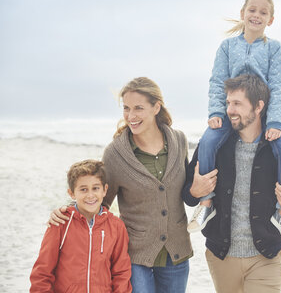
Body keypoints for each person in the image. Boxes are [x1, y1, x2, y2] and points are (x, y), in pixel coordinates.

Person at [48, 77, 192, 293]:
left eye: (138, 108)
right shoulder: (116, 153)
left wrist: (200, 190)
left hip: (176, 251)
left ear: (156, 107)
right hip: (135, 254)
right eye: (126, 108)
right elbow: (99, 203)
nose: (130, 116)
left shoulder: (179, 141)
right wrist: (67, 211)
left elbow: (187, 193)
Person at [187, 0, 281, 244]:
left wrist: (274, 122)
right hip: (232, 110)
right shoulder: (227, 47)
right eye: (252, 10)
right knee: (206, 143)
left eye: (263, 12)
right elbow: (217, 81)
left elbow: (277, 86)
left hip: (265, 111)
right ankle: (206, 204)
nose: (256, 15)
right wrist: (216, 113)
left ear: (270, 20)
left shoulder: (275, 48)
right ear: (243, 14)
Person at [183, 74, 281, 292]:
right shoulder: (215, 145)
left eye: (237, 104)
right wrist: (195, 191)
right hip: (221, 256)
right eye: (228, 103)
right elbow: (187, 194)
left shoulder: (280, 147)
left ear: (258, 106)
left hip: (266, 256)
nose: (230, 110)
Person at [30, 159, 132, 292]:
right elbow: (42, 272)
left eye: (95, 188)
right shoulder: (60, 223)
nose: (90, 195)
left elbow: (121, 272)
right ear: (72, 193)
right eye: (83, 189)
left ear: (104, 190)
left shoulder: (116, 226)